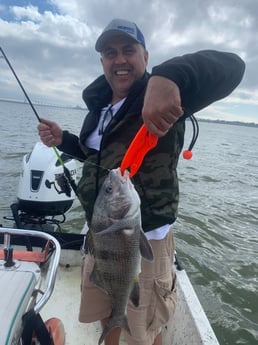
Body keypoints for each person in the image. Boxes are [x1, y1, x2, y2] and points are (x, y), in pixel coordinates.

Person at [38, 18, 245, 345]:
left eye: (129, 50)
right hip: (100, 234)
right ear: (102, 61)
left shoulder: (167, 97)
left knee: (144, 330)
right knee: (108, 311)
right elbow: (95, 157)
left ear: (145, 56)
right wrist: (63, 140)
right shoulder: (100, 107)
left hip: (143, 237)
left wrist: (170, 76)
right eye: (110, 52)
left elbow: (234, 67)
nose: (119, 59)